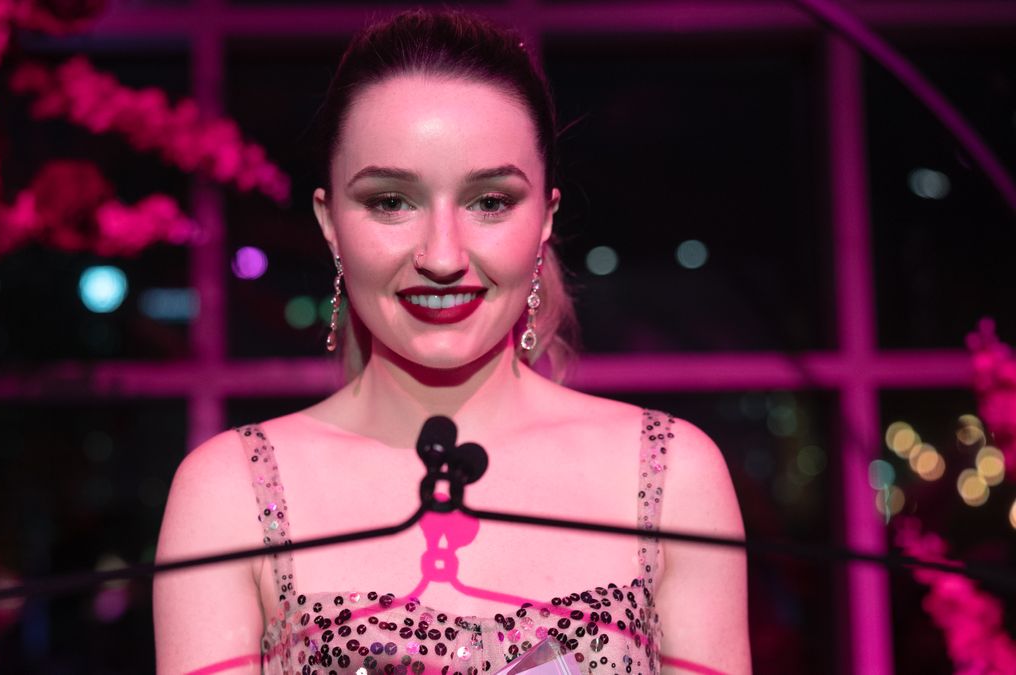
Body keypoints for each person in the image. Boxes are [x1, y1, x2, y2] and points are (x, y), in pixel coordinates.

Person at [154, 8, 749, 675]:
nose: (442, 255)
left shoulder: (670, 477)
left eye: (489, 201)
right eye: (390, 201)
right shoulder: (231, 492)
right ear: (330, 223)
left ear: (546, 218)